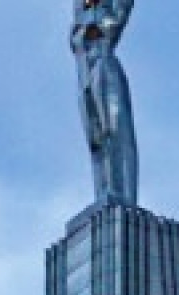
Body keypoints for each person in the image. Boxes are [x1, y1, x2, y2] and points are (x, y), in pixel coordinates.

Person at [71, 0, 138, 205]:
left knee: (115, 129)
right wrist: (80, 33)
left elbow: (123, 6)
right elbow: (76, 27)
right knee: (95, 138)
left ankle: (124, 197)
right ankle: (103, 192)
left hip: (103, 56)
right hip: (84, 66)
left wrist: (102, 26)